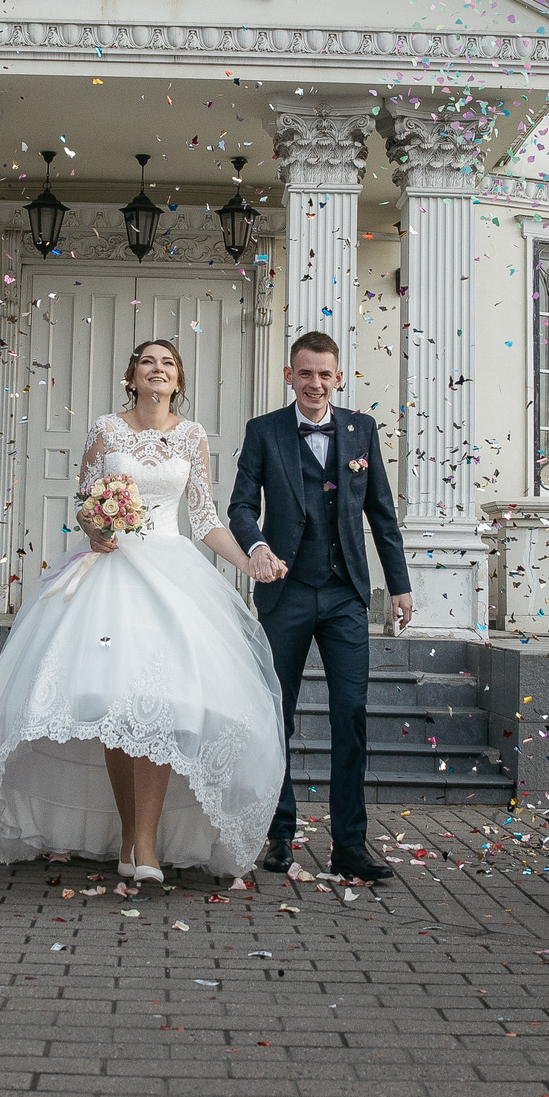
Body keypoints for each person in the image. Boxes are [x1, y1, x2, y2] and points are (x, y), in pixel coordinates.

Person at [0, 339, 286, 880]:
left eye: (168, 364)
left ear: (178, 382)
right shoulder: (105, 429)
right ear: (131, 377)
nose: (157, 370)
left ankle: (146, 846)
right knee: (116, 704)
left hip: (172, 575)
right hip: (111, 576)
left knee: (160, 702)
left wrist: (247, 562)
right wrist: (97, 528)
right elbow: (86, 501)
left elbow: (204, 517)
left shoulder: (191, 436)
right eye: (146, 362)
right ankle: (131, 844)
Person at [229, 331, 412, 884]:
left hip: (344, 595)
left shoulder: (362, 429)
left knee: (350, 716)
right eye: (304, 373)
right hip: (284, 594)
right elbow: (240, 505)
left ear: (338, 377)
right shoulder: (264, 432)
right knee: (275, 716)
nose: (314, 383)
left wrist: (398, 585)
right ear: (290, 376)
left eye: (324, 374)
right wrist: (256, 546)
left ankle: (349, 846)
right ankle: (279, 833)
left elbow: (381, 512)